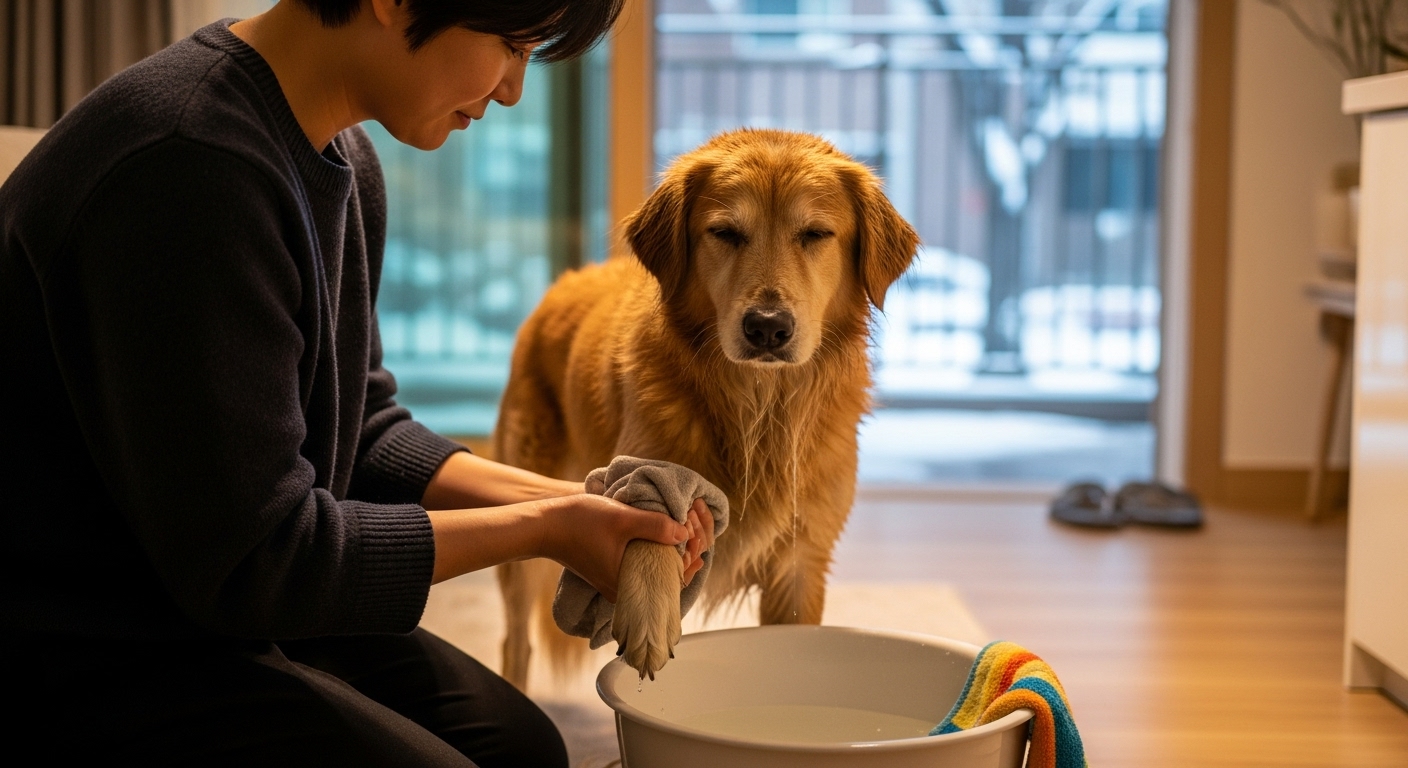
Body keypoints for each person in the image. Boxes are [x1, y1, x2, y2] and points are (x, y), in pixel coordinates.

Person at [0, 0, 714, 764]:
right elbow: (263, 562)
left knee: (523, 745)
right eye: (511, 45)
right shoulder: (189, 168)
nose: (512, 90)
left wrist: (579, 504)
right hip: (91, 641)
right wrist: (547, 532)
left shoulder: (338, 155)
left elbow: (363, 426)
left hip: (208, 594)